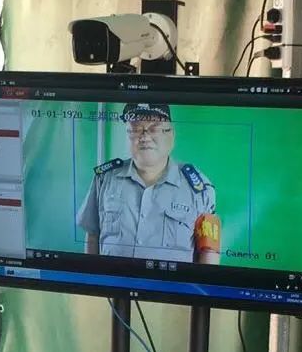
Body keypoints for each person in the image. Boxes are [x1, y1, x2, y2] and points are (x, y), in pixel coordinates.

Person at [76, 103, 221, 264]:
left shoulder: (199, 189)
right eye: (136, 129)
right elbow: (93, 235)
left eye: (154, 128)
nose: (144, 137)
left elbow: (209, 252)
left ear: (171, 135)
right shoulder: (104, 179)